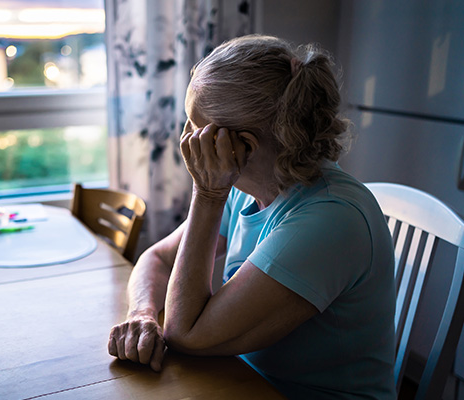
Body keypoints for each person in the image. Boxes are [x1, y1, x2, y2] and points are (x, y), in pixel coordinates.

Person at [108, 34, 396, 399]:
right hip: (241, 382)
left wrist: (207, 194)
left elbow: (185, 333)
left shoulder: (329, 220)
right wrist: (143, 313)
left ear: (244, 145)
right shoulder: (248, 190)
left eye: (195, 128)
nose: (184, 140)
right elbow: (159, 257)